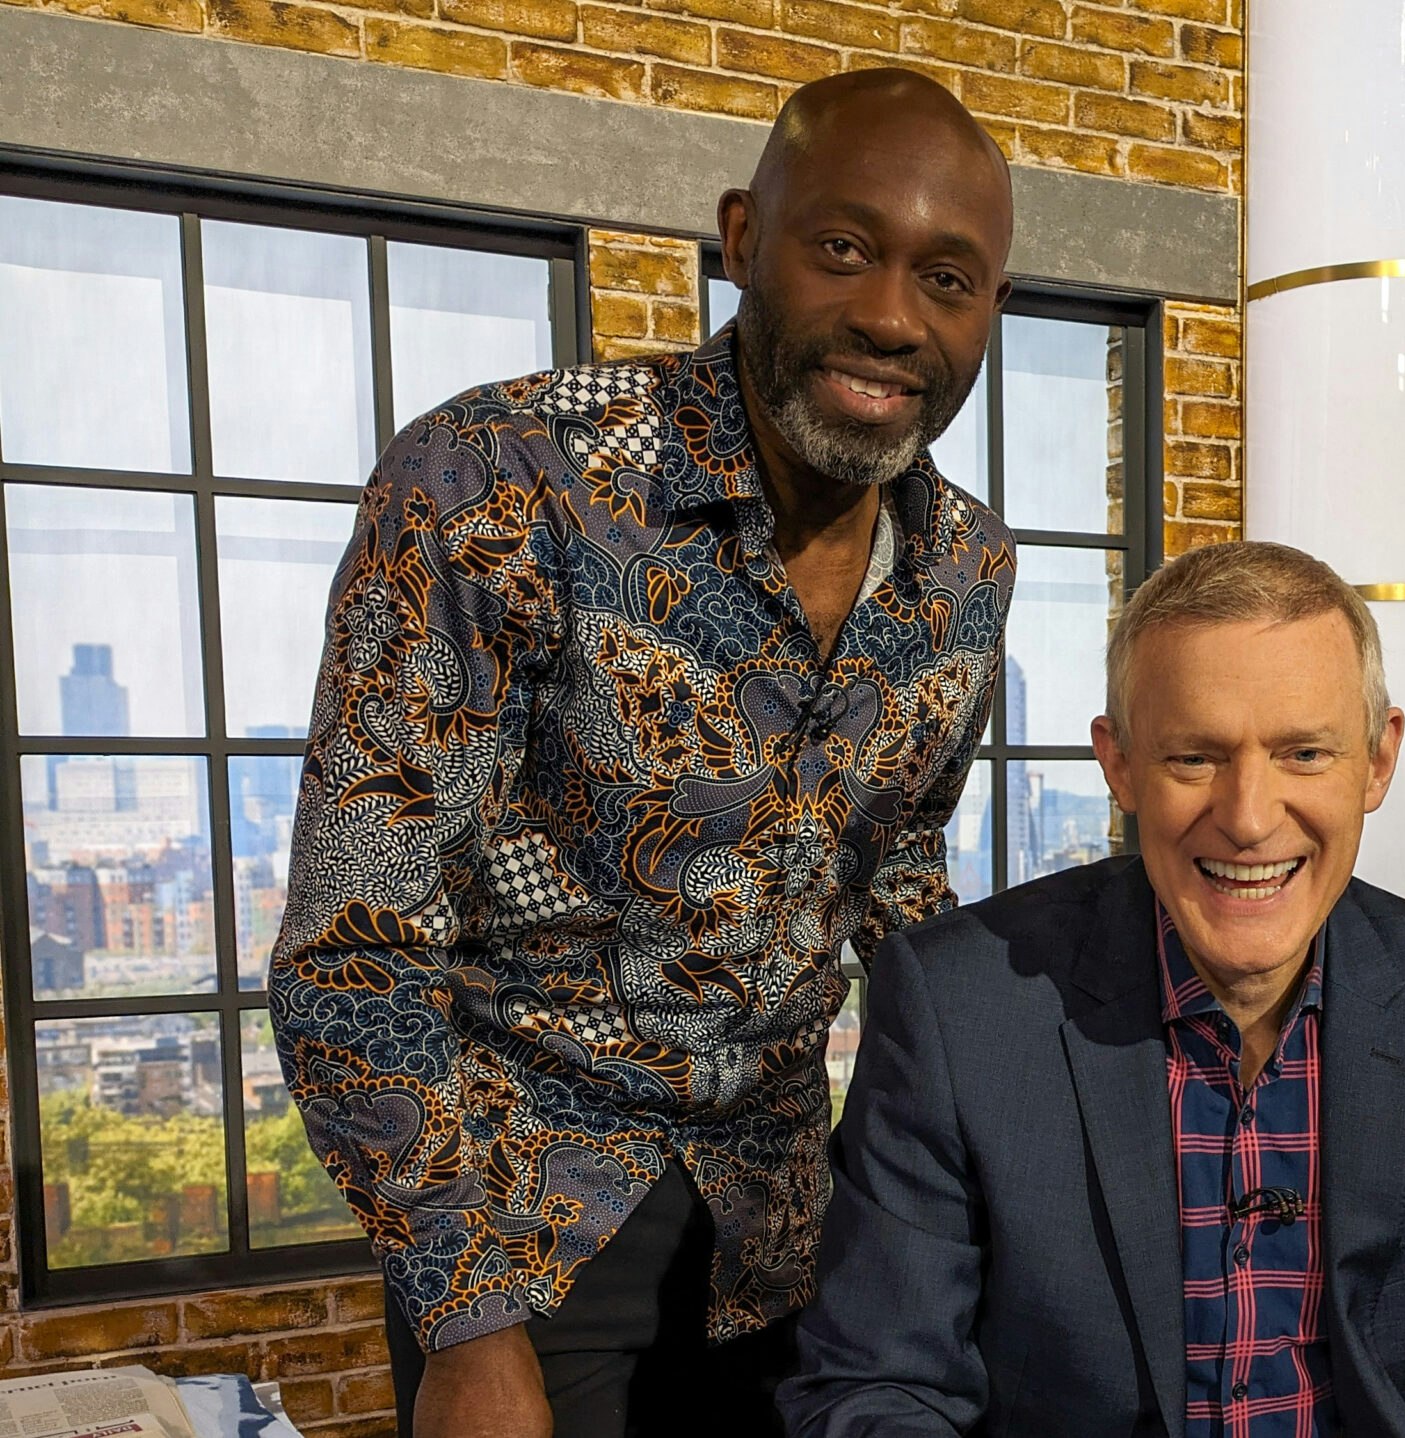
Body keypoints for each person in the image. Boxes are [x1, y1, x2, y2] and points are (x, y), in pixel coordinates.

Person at [270, 70, 1017, 1438]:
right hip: (523, 1236)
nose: (894, 316)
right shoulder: (495, 477)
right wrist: (464, 1318)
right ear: (742, 239)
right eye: (844, 248)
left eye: (950, 279)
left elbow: (903, 866)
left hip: (795, 1229)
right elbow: (355, 942)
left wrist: (1002, 1150)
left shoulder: (968, 566)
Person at [780, 541, 1405, 1438]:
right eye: (1194, 759)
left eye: (1304, 753)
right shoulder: (957, 1010)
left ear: (1377, 760)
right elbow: (878, 1390)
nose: (1250, 818)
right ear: (1120, 764)